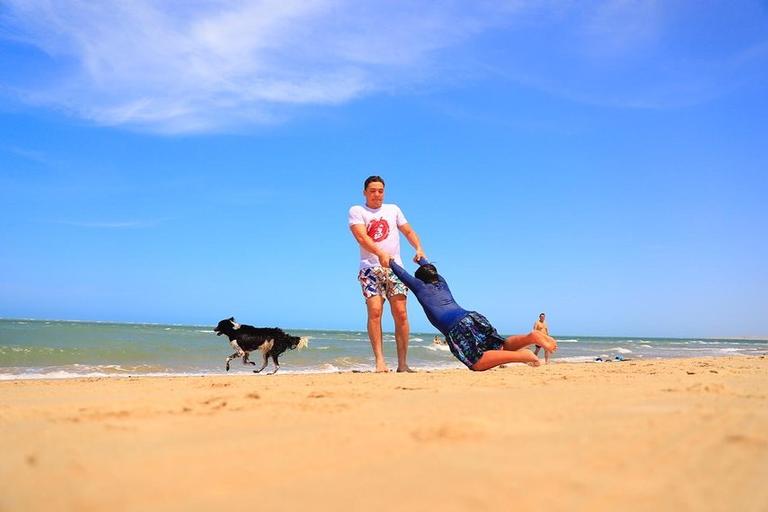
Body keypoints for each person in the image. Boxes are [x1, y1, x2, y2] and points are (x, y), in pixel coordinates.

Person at [386, 257, 558, 371]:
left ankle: (522, 356)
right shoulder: (441, 281)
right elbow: (430, 270)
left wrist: (390, 262)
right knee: (500, 345)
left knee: (476, 363)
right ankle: (531, 337)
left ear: (420, 280)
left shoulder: (420, 287)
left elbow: (402, 274)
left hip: (456, 327)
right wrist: (421, 260)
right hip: (472, 317)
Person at [348, 176, 426, 373]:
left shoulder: (393, 209)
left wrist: (418, 248)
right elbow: (361, 237)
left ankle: (402, 363)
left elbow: (408, 231)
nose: (377, 194)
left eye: (380, 191)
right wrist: (380, 253)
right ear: (365, 192)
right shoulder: (357, 211)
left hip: (395, 268)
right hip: (370, 268)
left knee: (401, 313)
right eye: (373, 190)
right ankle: (380, 362)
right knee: (375, 311)